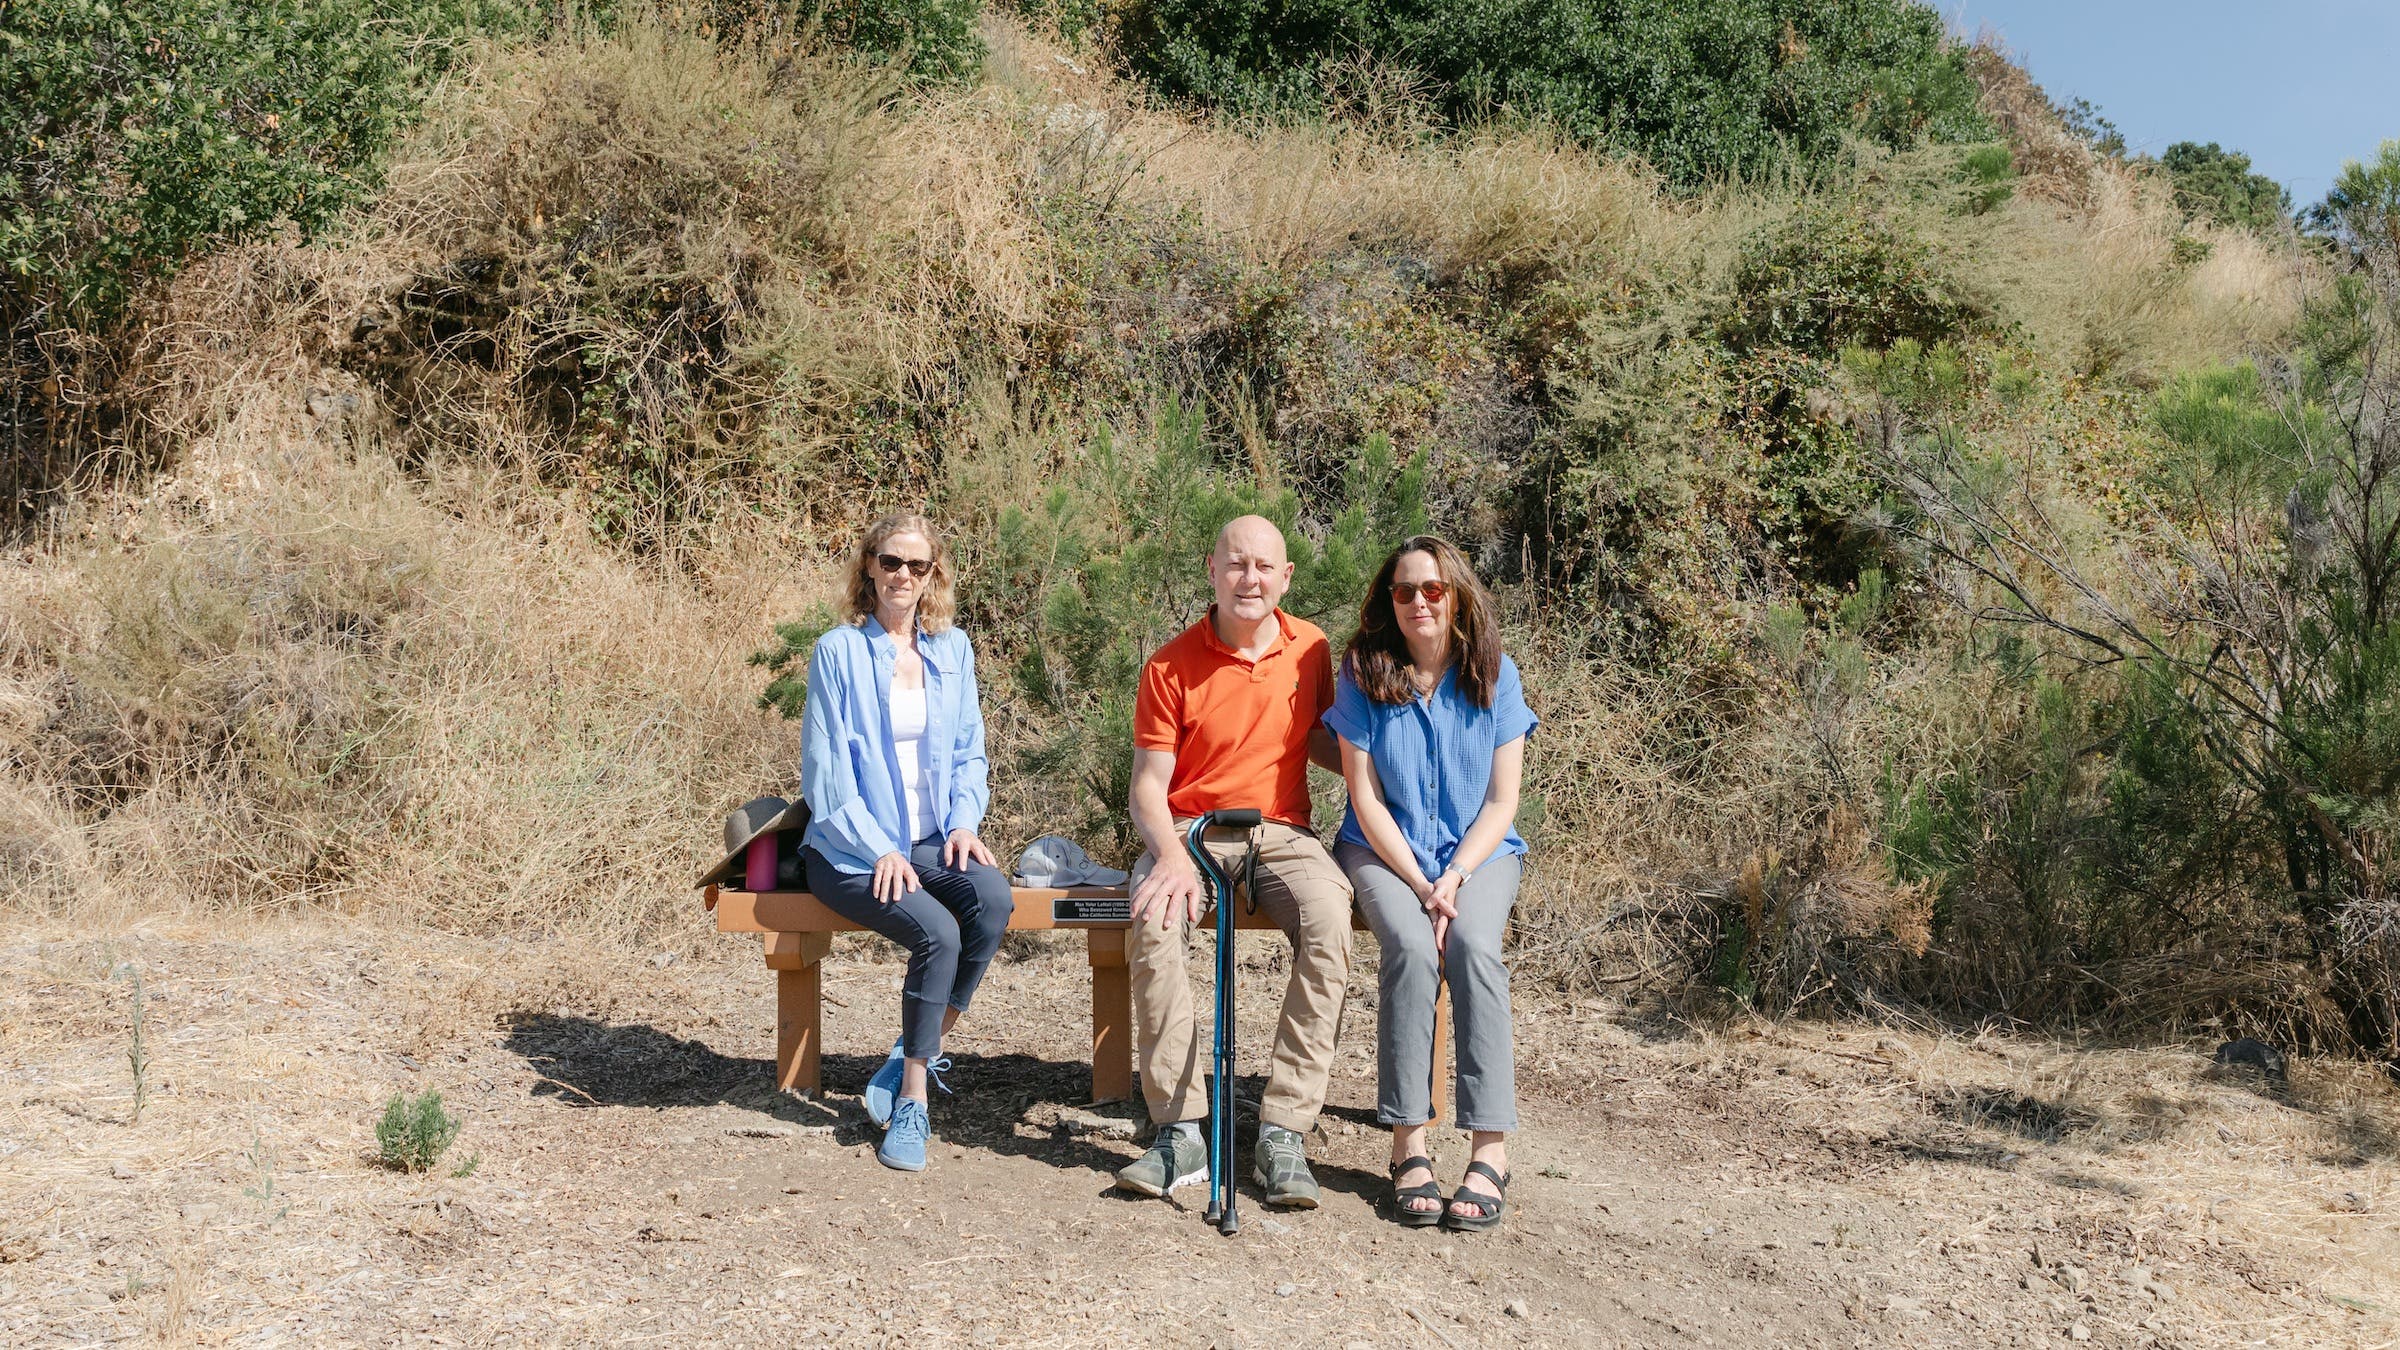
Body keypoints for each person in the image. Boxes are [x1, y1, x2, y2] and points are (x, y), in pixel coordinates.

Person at [1113, 515, 1355, 1210]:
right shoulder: (1169, 665)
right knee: (1155, 919)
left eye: (1264, 566)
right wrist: (1169, 856)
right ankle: (1181, 1130)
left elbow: (1322, 739)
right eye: (1237, 564)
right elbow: (1148, 786)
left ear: (1286, 578)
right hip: (1191, 831)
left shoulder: (1312, 648)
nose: (1250, 579)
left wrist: (1396, 772)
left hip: (1282, 833)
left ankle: (1284, 1131)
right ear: (1212, 570)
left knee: (1329, 918)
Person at [1325, 535, 1535, 1232]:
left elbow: (1502, 801)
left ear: (1457, 595)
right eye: (1405, 590)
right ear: (1389, 601)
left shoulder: (1495, 674)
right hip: (1384, 853)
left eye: (1433, 589)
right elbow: (1364, 798)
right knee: (1413, 950)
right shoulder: (1362, 672)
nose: (1420, 601)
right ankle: (1408, 1144)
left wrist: (1455, 878)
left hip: (1479, 855)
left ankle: (1490, 1151)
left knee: (1473, 947)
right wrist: (1422, 885)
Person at [797, 512, 1013, 1172]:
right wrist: (879, 850)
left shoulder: (953, 650)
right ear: (869, 565)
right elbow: (826, 775)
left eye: (917, 566)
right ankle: (914, 1100)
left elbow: (969, 754)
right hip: (847, 850)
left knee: (993, 900)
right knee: (939, 934)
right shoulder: (838, 651)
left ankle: (911, 1051)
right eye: (891, 561)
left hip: (927, 841)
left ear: (932, 574)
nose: (902, 576)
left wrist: (964, 824)